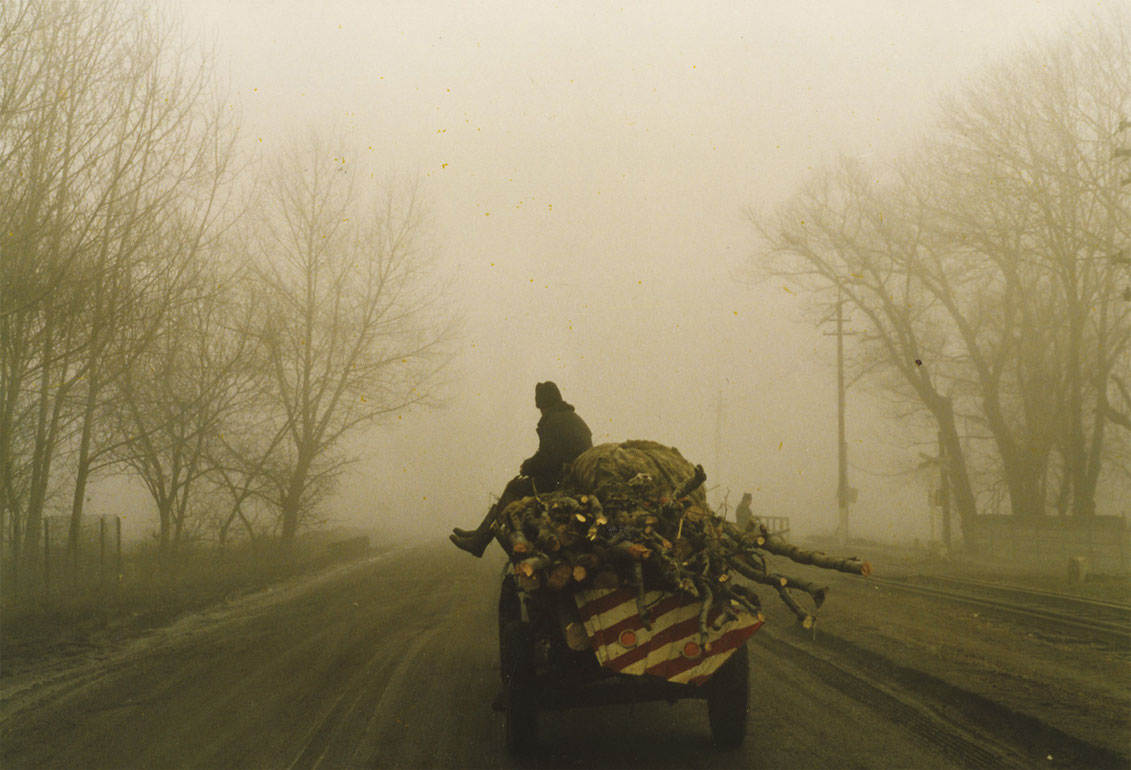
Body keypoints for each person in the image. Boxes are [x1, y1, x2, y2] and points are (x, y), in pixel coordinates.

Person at [450, 381, 593, 557]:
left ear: (544, 404)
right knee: (516, 486)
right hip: (576, 477)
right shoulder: (572, 418)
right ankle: (481, 533)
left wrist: (527, 466)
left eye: (540, 407)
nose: (540, 411)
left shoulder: (554, 421)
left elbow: (547, 459)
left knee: (514, 488)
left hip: (563, 481)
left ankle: (480, 539)